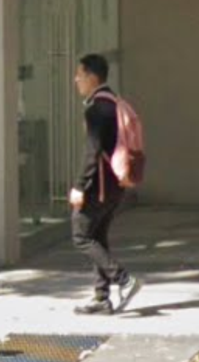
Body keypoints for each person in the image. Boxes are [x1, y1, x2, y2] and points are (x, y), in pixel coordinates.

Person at [70, 54, 141, 315]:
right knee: (97, 237)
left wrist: (79, 186)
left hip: (98, 185)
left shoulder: (97, 108)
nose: (76, 79)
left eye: (79, 74)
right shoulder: (114, 102)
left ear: (92, 77)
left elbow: (92, 151)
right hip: (116, 183)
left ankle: (124, 280)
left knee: (81, 236)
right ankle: (101, 297)